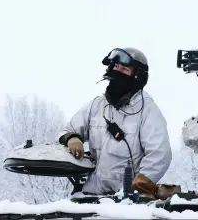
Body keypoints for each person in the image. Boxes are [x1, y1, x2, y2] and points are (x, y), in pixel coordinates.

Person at [58, 47, 172, 198]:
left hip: (126, 199)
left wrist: (139, 187)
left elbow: (159, 154)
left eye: (124, 69)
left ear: (137, 76)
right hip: (91, 194)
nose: (117, 72)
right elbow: (68, 129)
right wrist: (71, 138)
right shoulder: (97, 105)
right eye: (115, 67)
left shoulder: (147, 110)